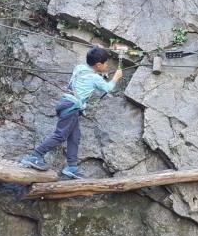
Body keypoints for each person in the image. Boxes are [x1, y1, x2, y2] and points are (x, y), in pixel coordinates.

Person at [20, 46, 123, 179]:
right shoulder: (95, 78)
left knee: (74, 137)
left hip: (67, 104)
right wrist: (116, 78)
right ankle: (34, 156)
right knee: (60, 136)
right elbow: (108, 87)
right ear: (98, 65)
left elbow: (86, 79)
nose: (107, 64)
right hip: (72, 107)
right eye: (106, 63)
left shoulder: (79, 68)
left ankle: (72, 167)